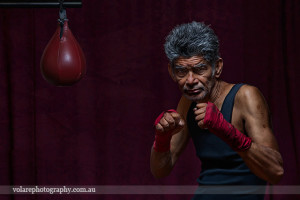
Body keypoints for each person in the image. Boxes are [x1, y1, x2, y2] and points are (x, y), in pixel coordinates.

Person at [150, 22, 284, 200]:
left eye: (199, 69)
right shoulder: (187, 102)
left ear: (217, 67)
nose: (190, 80)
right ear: (171, 72)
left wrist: (227, 131)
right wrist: (162, 139)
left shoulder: (245, 96)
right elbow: (160, 171)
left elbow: (275, 172)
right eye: (181, 71)